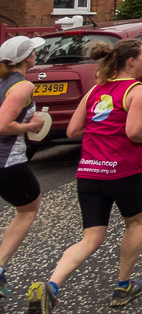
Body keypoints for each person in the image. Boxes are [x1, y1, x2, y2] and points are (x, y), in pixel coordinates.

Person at [27, 39, 142, 313]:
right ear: (131, 61)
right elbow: (133, 130)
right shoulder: (140, 91)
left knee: (90, 238)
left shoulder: (96, 90)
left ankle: (51, 285)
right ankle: (124, 286)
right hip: (124, 171)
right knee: (134, 224)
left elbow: (73, 131)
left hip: (89, 171)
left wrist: (100, 133)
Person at [0, 37, 46, 298]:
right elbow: (4, 125)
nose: (35, 55)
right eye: (33, 52)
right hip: (7, 160)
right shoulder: (22, 85)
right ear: (28, 57)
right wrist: (32, 126)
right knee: (28, 208)